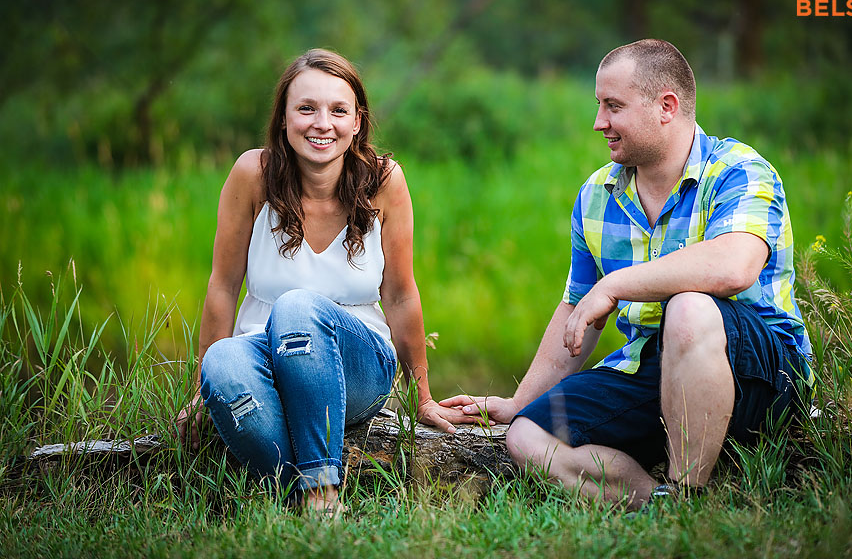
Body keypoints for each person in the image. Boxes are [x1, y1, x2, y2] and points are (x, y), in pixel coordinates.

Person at [441, 39, 812, 510]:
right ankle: (659, 504)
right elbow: (578, 307)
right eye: (599, 105)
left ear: (667, 107)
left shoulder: (740, 170)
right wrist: (519, 403)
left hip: (762, 375)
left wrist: (615, 284)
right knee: (527, 437)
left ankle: (687, 490)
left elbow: (734, 267)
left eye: (613, 106)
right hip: (653, 370)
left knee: (689, 308)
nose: (600, 123)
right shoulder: (598, 193)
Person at [175, 49, 476, 514]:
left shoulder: (384, 181)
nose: (322, 123)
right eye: (306, 108)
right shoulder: (251, 174)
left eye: (339, 110)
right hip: (264, 360)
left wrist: (423, 396)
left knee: (298, 306)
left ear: (357, 121)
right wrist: (201, 388)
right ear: (283, 118)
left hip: (356, 365)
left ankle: (321, 492)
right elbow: (222, 285)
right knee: (223, 362)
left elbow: (399, 294)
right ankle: (292, 494)